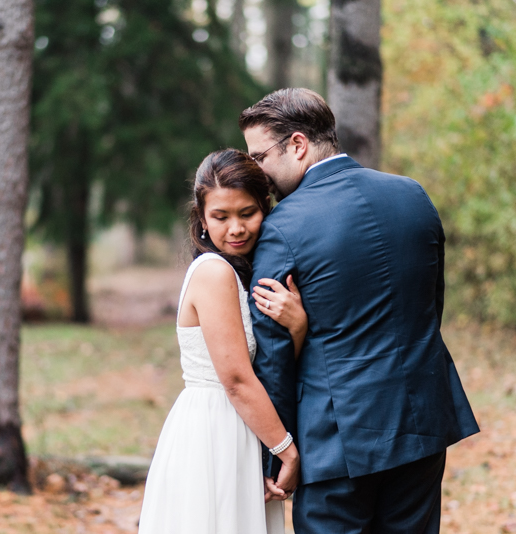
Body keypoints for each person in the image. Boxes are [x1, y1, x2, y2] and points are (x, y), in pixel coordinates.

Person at [241, 88, 480, 534]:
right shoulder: (413, 196)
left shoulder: (282, 227)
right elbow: (429, 307)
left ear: (297, 145)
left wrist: (278, 450)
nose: (257, 171)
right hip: (422, 421)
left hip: (338, 438)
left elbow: (272, 355)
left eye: (259, 157)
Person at [138, 149, 308, 534]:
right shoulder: (213, 273)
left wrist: (297, 327)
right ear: (201, 219)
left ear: (265, 208)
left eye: (247, 213)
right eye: (221, 217)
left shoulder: (244, 273)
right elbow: (235, 378)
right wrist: (286, 451)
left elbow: (267, 368)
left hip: (246, 424)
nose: (236, 229)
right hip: (215, 429)